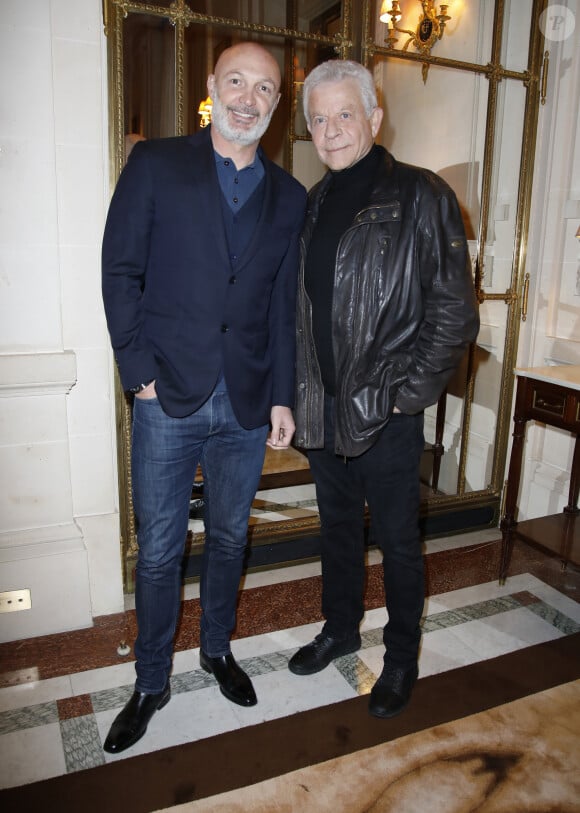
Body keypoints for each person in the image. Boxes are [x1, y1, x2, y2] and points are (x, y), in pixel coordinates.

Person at [101, 42, 306, 753]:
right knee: (159, 551)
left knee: (228, 537)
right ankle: (151, 679)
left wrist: (283, 397)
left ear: (277, 106)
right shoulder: (156, 164)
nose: (249, 99)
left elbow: (282, 307)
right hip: (166, 397)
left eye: (266, 90)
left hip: (246, 404)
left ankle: (216, 648)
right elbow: (120, 269)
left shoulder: (291, 196)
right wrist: (138, 373)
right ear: (213, 88)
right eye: (237, 83)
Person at [289, 60, 479, 719]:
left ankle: (400, 658)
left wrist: (406, 396)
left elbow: (455, 311)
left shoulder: (424, 197)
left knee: (398, 541)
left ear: (374, 118)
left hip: (387, 415)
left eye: (346, 114)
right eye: (319, 118)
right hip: (326, 411)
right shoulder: (310, 204)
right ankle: (340, 628)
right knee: (338, 532)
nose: (332, 129)